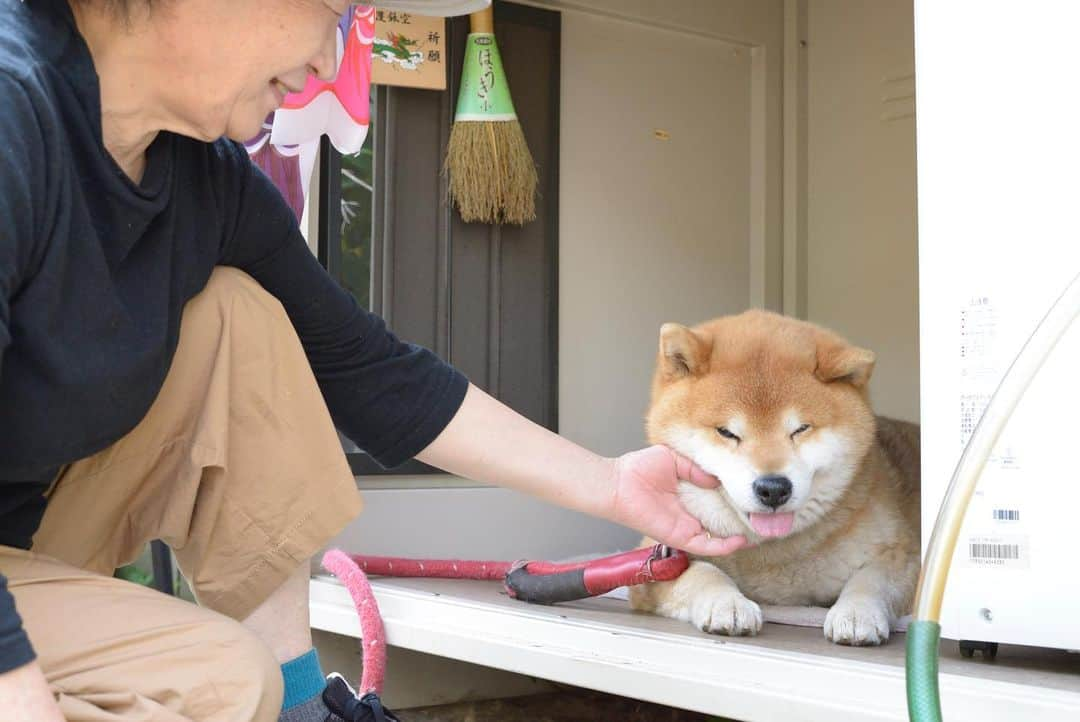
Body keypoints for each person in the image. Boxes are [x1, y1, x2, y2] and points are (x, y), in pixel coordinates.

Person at [0, 1, 747, 720]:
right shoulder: (13, 107)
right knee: (214, 685)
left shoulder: (206, 179)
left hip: (28, 543)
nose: (329, 60)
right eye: (333, 10)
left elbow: (373, 372)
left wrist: (615, 486)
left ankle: (300, 709)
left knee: (240, 314)